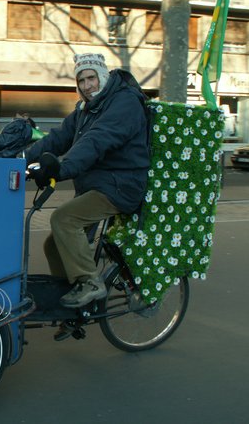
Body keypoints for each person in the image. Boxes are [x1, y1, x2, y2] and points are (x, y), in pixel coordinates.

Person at [26, 53, 150, 312]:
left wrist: (63, 168)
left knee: (64, 219)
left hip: (120, 185)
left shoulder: (124, 102)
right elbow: (59, 137)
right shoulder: (85, 109)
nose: (87, 85)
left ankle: (91, 283)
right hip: (98, 184)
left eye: (91, 77)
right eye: (81, 80)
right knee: (54, 243)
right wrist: (18, 158)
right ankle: (72, 295)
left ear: (103, 76)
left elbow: (97, 139)